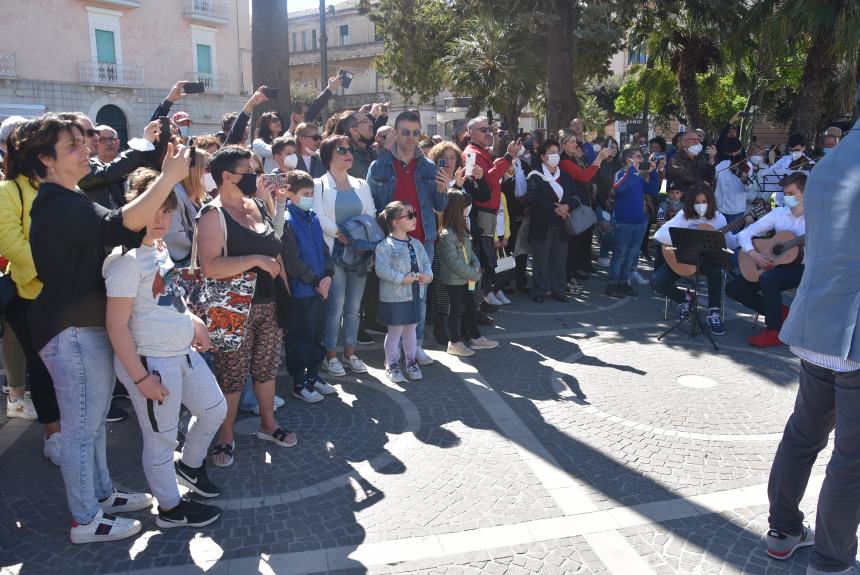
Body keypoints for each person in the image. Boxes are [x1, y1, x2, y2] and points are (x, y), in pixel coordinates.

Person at [28, 114, 190, 543]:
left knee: (92, 423)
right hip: (71, 330)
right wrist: (169, 177)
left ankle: (101, 494)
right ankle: (85, 519)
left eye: (85, 143)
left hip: (81, 327)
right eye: (74, 147)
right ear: (45, 160)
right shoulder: (57, 201)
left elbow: (122, 226)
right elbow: (123, 225)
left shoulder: (69, 196)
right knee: (81, 430)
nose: (88, 150)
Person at [764, 107, 859, 575]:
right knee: (851, 457)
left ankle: (782, 530)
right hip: (853, 329)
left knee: (803, 434)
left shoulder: (829, 162)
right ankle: (831, 558)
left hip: (819, 321)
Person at [104, 168, 226, 529]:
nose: (161, 218)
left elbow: (169, 296)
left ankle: (188, 467)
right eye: (154, 208)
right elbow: (116, 325)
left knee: (214, 409)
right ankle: (171, 509)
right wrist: (141, 379)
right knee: (161, 438)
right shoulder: (124, 260)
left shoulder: (156, 248)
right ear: (135, 208)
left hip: (181, 351)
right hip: (152, 361)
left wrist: (193, 320)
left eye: (167, 209)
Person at [197, 146, 292, 467]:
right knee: (231, 375)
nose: (255, 176)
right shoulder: (212, 214)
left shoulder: (255, 205)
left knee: (266, 369)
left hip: (268, 303)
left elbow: (275, 243)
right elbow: (209, 266)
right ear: (227, 176)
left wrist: (277, 205)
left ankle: (269, 424)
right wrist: (253, 260)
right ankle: (225, 436)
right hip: (232, 307)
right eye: (248, 170)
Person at [0, 121, 64, 454]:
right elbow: (11, 243)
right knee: (43, 368)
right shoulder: (8, 191)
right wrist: (52, 273)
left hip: (67, 295)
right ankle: (53, 436)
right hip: (32, 297)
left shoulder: (63, 187)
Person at [367, 111, 449, 364]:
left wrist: (443, 189)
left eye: (416, 133)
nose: (411, 138)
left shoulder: (427, 166)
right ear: (395, 132)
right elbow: (371, 206)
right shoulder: (379, 165)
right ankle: (395, 349)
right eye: (405, 132)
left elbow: (439, 205)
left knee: (419, 298)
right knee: (395, 295)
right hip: (390, 243)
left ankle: (416, 346)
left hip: (423, 241)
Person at [315, 135, 377, 377]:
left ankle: (350, 353)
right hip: (334, 252)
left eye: (349, 149)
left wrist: (358, 238)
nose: (348, 153)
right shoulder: (319, 184)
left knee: (354, 306)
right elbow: (318, 216)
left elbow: (370, 213)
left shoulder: (362, 184)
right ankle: (330, 355)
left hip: (359, 252)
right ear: (328, 155)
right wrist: (342, 233)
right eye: (341, 149)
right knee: (336, 306)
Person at [726, 172, 807, 347]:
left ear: (805, 193)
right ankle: (780, 313)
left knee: (768, 279)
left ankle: (774, 330)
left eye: (792, 193)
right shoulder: (779, 213)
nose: (788, 197)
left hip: (803, 268)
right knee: (733, 288)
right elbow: (745, 234)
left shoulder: (816, 219)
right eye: (785, 194)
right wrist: (753, 253)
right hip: (775, 265)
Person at [280, 170, 336, 403]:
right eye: (305, 193)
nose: (310, 197)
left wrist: (328, 276)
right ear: (290, 194)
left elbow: (324, 250)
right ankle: (299, 382)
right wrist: (315, 281)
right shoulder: (286, 221)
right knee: (301, 338)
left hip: (320, 288)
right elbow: (292, 262)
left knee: (317, 336)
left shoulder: (312, 217)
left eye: (312, 193)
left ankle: (314, 376)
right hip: (303, 291)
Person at [651, 184, 735, 335]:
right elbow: (659, 234)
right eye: (697, 202)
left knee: (716, 270)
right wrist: (687, 239)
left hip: (707, 261)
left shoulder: (718, 218)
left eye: (704, 201)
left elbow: (729, 242)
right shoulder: (684, 215)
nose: (701, 205)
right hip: (683, 259)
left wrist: (746, 235)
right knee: (656, 280)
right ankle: (686, 299)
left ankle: (713, 311)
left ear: (710, 202)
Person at [374, 201, 432, 383]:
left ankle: (410, 361)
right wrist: (401, 278)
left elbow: (426, 264)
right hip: (395, 296)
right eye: (410, 215)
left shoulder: (416, 243)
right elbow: (381, 269)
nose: (414, 218)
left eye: (414, 214)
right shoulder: (385, 245)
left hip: (415, 293)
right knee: (395, 331)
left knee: (411, 329)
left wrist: (428, 276)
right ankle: (391, 364)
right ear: (395, 222)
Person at [437, 189, 498, 357]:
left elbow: (470, 254)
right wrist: (474, 273)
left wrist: (476, 266)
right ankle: (454, 342)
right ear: (457, 208)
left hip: (467, 278)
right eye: (465, 207)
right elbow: (453, 261)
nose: (467, 210)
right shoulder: (445, 233)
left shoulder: (462, 229)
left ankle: (475, 336)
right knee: (454, 309)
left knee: (470, 306)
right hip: (455, 280)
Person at [605, 147, 662, 298]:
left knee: (632, 255)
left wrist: (653, 172)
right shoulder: (622, 173)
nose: (641, 160)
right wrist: (630, 171)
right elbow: (618, 189)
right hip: (624, 221)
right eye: (637, 157)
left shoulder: (639, 176)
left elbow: (653, 190)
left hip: (639, 221)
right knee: (620, 254)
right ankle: (612, 284)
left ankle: (624, 282)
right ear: (628, 160)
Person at [526, 140, 576, 303]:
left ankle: (559, 290)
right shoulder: (535, 175)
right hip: (542, 223)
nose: (555, 155)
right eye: (551, 152)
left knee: (559, 259)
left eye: (556, 152)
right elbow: (534, 197)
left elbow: (575, 197)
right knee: (541, 259)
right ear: (542, 156)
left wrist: (567, 206)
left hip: (561, 224)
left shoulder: (565, 176)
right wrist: (554, 208)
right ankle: (540, 290)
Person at [164, 148, 209, 266]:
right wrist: (206, 244)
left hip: (201, 259)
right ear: (194, 170)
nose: (208, 171)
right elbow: (173, 235)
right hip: (186, 264)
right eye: (205, 166)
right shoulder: (174, 194)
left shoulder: (196, 194)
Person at [592, 138, 622, 269]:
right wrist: (594, 204)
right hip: (599, 202)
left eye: (616, 147)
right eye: (611, 147)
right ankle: (603, 255)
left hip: (616, 204)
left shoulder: (620, 166)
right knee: (606, 228)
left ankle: (610, 256)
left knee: (614, 231)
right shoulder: (598, 164)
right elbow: (593, 185)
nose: (613, 150)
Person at [714, 137, 752, 225]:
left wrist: (744, 180)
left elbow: (747, 189)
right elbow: (712, 176)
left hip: (736, 209)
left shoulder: (746, 165)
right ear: (726, 152)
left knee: (733, 237)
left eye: (736, 151)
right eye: (731, 152)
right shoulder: (722, 165)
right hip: (719, 207)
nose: (734, 154)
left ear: (740, 149)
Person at [667, 130, 716, 195]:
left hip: (701, 197)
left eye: (698, 139)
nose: (696, 142)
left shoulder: (702, 157)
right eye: (692, 139)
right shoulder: (675, 159)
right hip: (684, 198)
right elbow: (685, 177)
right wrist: (702, 183)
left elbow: (710, 178)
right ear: (683, 142)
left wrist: (711, 160)